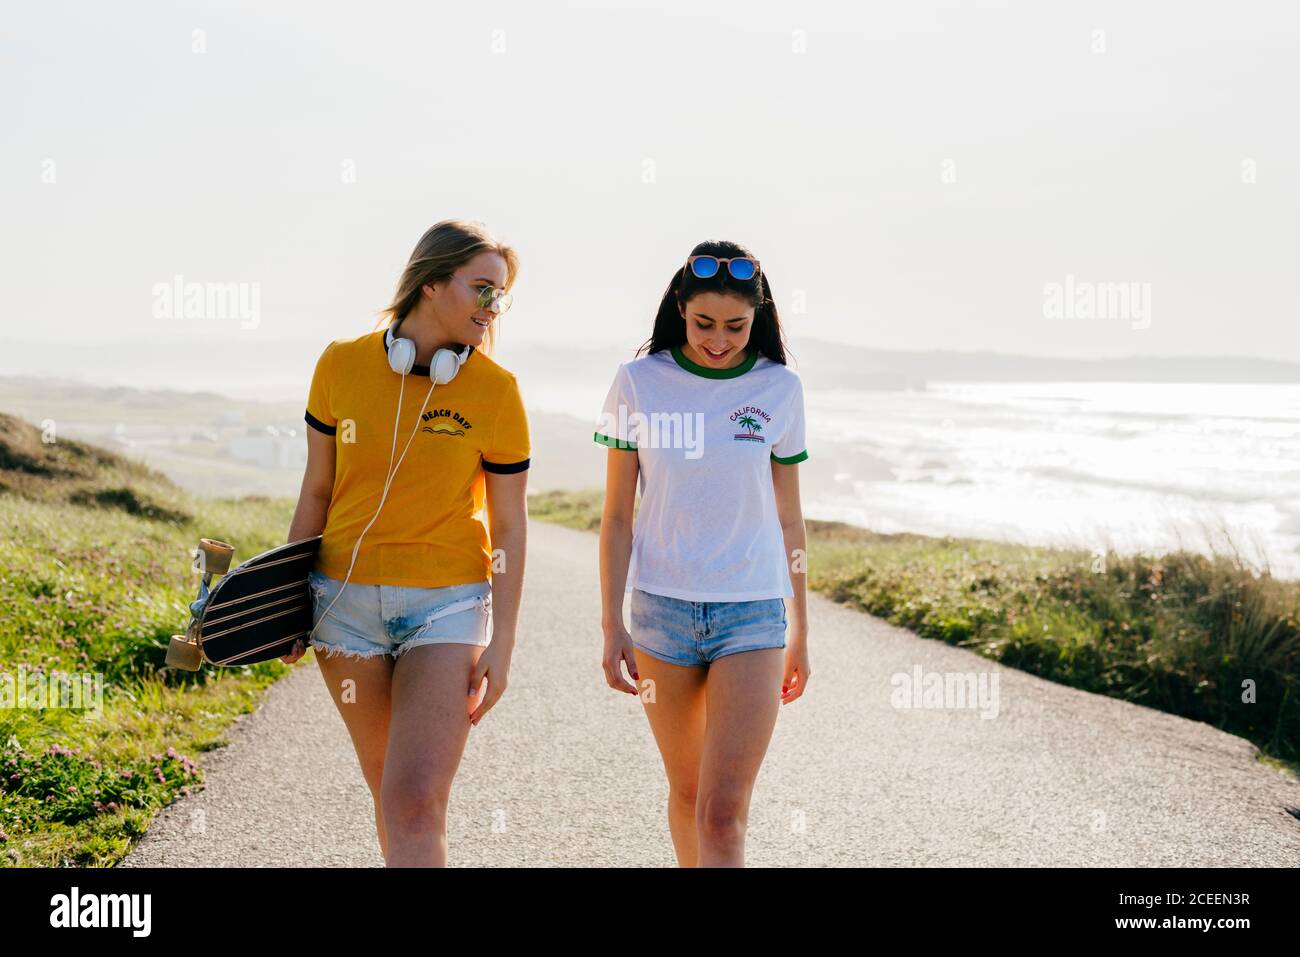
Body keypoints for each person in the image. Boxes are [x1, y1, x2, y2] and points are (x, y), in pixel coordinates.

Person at [283, 219, 530, 867]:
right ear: (429, 282)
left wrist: (501, 642)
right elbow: (316, 489)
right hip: (344, 611)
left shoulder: (497, 392)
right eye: (482, 289)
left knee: (417, 800)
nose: (493, 307)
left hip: (446, 607)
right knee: (390, 795)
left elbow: (509, 526)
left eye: (500, 294)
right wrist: (286, 602)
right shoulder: (340, 364)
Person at [595, 239, 811, 867]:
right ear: (680, 309)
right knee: (688, 793)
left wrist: (801, 630)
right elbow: (615, 516)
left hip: (753, 614)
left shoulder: (780, 388)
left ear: (759, 318)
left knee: (722, 812)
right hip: (661, 614)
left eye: (736, 326)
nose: (719, 338)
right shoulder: (639, 382)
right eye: (704, 323)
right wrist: (613, 624)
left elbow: (790, 519)